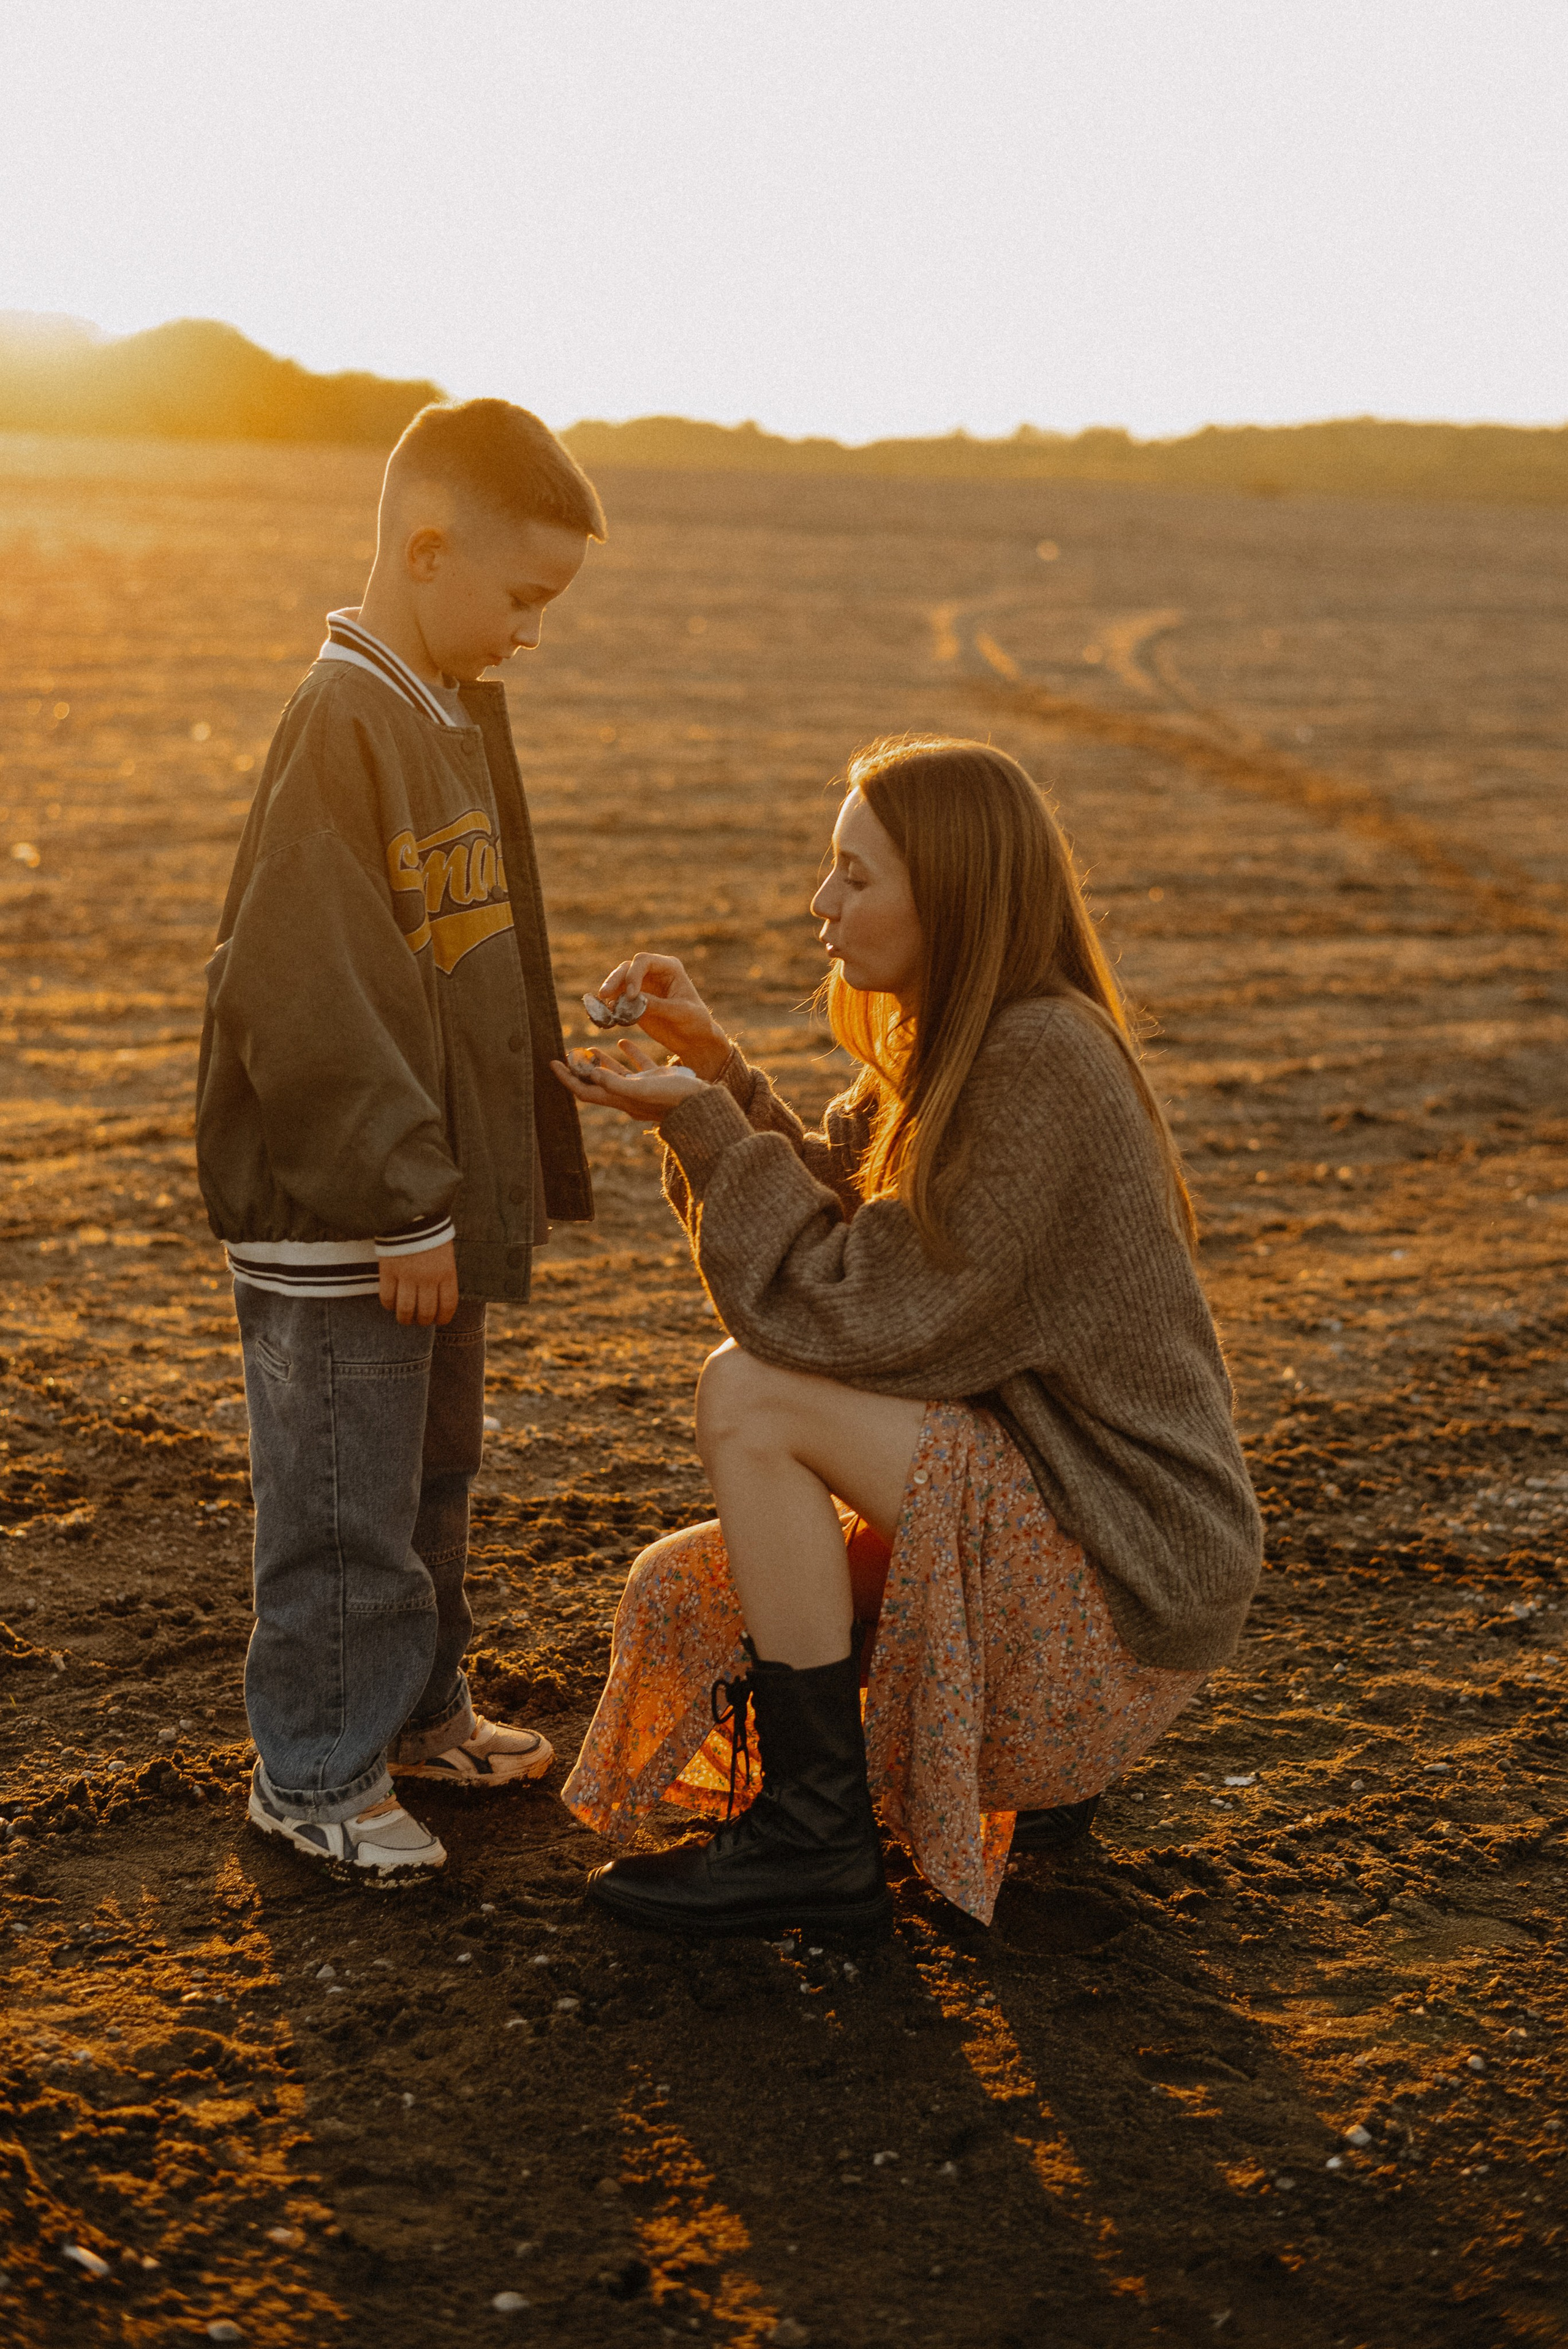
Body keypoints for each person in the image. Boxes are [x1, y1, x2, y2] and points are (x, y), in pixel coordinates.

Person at [551, 735, 1263, 1936]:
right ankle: (856, 1807)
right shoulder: (961, 1039)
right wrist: (713, 1072)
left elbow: (855, 1310)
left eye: (854, 875)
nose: (818, 903)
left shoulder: (1038, 1059)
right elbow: (860, 1213)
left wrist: (711, 1132)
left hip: (1115, 1569)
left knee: (751, 1395)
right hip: (1059, 1515)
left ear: (953, 892)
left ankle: (817, 1840)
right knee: (701, 1584)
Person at [196, 399, 603, 1884]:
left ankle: (418, 1711)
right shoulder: (344, 718)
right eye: (521, 600)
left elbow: (456, 963)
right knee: (340, 1507)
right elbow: (303, 987)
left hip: (423, 1208)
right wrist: (406, 1201)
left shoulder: (437, 709)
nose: (528, 636)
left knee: (430, 1485)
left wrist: (540, 1091)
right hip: (349, 1217)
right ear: (426, 552)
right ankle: (311, 1771)